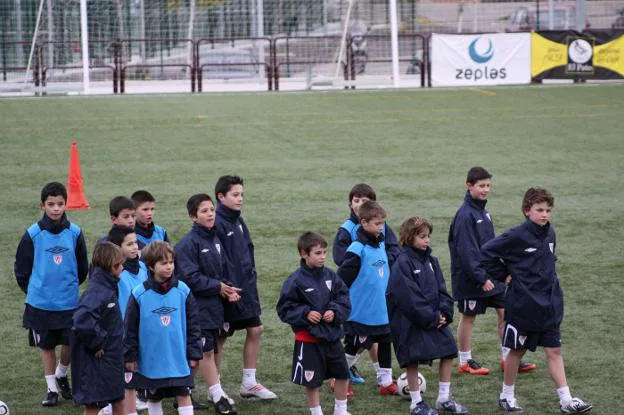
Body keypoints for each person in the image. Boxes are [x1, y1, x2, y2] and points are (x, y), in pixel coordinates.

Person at [478, 187, 592, 413]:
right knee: (517, 351)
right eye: (539, 210)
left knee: (554, 351)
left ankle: (566, 400)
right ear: (526, 211)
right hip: (523, 306)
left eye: (548, 210)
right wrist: (504, 275)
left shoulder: (550, 234)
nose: (545, 214)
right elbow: (486, 252)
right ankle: (506, 396)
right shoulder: (516, 235)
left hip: (549, 305)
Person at [448, 167, 535, 375]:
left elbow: (491, 247)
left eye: (488, 186)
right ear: (469, 185)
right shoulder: (465, 215)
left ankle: (508, 357)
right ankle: (465, 361)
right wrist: (481, 277)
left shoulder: (483, 212)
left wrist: (503, 271)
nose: (485, 190)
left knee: (505, 311)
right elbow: (467, 251)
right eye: (481, 186)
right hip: (472, 277)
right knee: (468, 316)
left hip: (491, 275)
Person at [14, 182, 89, 407]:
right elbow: (22, 269)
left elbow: (82, 267)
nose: (56, 208)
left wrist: (68, 287)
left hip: (68, 302)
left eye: (60, 204)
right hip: (41, 303)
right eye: (51, 204)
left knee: (69, 343)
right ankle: (51, 388)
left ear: (66, 204)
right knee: (46, 346)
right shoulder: (33, 234)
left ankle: (61, 373)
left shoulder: (75, 233)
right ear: (42, 205)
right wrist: (37, 290)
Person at [387, 217, 468, 415]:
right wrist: (431, 317)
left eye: (428, 236)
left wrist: (444, 313)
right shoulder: (402, 262)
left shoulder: (432, 261)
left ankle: (443, 398)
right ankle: (416, 403)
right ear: (409, 237)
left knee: (449, 351)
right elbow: (408, 297)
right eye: (422, 236)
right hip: (410, 321)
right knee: (411, 359)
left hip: (434, 319)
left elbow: (442, 290)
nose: (427, 240)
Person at [175, 193, 241, 414]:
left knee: (202, 353)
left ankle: (182, 393)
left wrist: (228, 290)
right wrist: (218, 287)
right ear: (193, 217)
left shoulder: (214, 239)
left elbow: (221, 271)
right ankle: (218, 396)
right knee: (205, 352)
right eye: (204, 211)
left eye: (212, 209)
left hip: (215, 307)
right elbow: (189, 278)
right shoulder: (187, 244)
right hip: (197, 309)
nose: (210, 214)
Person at [214, 175, 277, 400]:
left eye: (241, 194)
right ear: (221, 197)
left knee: (256, 329)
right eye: (235, 195)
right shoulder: (218, 223)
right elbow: (217, 260)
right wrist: (225, 287)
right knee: (219, 337)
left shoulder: (238, 220)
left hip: (246, 288)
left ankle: (249, 382)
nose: (240, 199)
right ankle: (216, 386)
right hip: (228, 291)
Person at [277, 232, 352, 415]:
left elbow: (344, 299)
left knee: (343, 374)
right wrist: (305, 314)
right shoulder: (295, 280)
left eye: (324, 252)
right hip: (309, 340)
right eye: (318, 253)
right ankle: (316, 412)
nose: (323, 257)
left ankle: (340, 410)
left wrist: (333, 311)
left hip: (333, 337)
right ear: (304, 254)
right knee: (312, 381)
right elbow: (284, 309)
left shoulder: (331, 276)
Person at [332, 183, 400, 385]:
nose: (381, 227)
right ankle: (340, 376)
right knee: (357, 340)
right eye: (357, 200)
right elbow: (342, 267)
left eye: (366, 200)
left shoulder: (380, 233)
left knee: (383, 338)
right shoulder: (351, 237)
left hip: (380, 301)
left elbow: (394, 250)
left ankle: (385, 380)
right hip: (361, 302)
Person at [124, 241, 202, 415]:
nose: (169, 267)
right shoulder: (138, 294)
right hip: (151, 359)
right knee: (154, 396)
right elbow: (130, 329)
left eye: (171, 262)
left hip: (178, 357)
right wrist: (130, 356)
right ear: (150, 266)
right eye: (164, 263)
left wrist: (195, 352)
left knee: (183, 394)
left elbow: (194, 325)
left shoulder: (184, 291)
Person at [71, 242, 126, 415]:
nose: (123, 268)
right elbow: (81, 320)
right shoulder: (98, 291)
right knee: (93, 405)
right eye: (120, 264)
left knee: (118, 399)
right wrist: (97, 343)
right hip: (96, 360)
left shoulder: (107, 286)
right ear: (112, 266)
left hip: (111, 357)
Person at [107, 225, 149, 415]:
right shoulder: (115, 274)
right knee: (124, 375)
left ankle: (131, 401)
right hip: (121, 333)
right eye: (129, 244)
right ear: (117, 248)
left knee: (133, 374)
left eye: (136, 243)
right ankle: (110, 406)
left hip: (141, 329)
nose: (135, 247)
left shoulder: (142, 267)